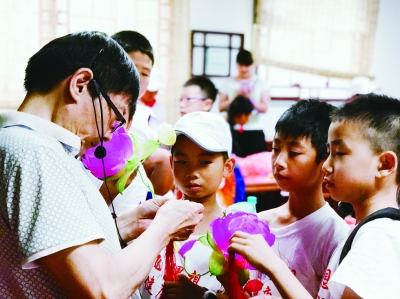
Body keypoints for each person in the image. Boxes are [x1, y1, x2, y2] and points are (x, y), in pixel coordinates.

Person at [0, 31, 204, 299]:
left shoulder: (23, 143)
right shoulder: (36, 151)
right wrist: (164, 227)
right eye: (116, 117)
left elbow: (60, 250)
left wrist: (127, 225)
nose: (109, 135)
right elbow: (103, 289)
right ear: (81, 84)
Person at [229, 94, 400, 298]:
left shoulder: (379, 235)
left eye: (339, 153)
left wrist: (273, 265)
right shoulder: (367, 232)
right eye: (328, 152)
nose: (326, 166)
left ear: (385, 165)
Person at [139, 111, 235, 299]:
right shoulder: (153, 221)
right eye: (182, 161)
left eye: (204, 162)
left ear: (227, 167)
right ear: (171, 163)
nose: (192, 172)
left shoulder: (236, 230)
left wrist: (203, 296)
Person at [111, 30, 173, 201]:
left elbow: (161, 188)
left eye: (145, 73)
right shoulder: (95, 112)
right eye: (129, 68)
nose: (136, 78)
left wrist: (162, 160)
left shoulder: (147, 116)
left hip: (138, 207)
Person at [218, 49, 270, 157]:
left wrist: (249, 98)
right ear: (237, 65)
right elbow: (221, 107)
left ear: (253, 65)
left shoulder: (260, 83)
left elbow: (264, 108)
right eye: (241, 65)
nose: (244, 69)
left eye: (247, 65)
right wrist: (236, 97)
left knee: (257, 166)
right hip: (233, 130)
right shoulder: (228, 83)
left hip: (254, 130)